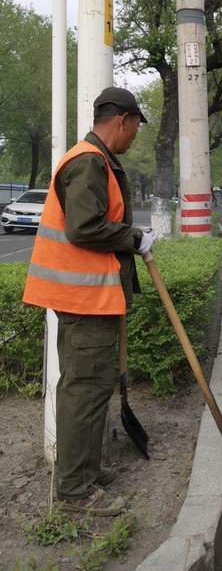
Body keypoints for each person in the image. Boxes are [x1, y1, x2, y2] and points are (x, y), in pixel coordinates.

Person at [22, 87, 155, 516]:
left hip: (90, 298)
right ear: (123, 120)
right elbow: (84, 228)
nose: (135, 136)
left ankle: (84, 471)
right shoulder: (88, 162)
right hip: (85, 300)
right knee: (84, 391)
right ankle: (75, 493)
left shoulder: (95, 160)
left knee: (91, 390)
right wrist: (134, 238)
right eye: (135, 126)